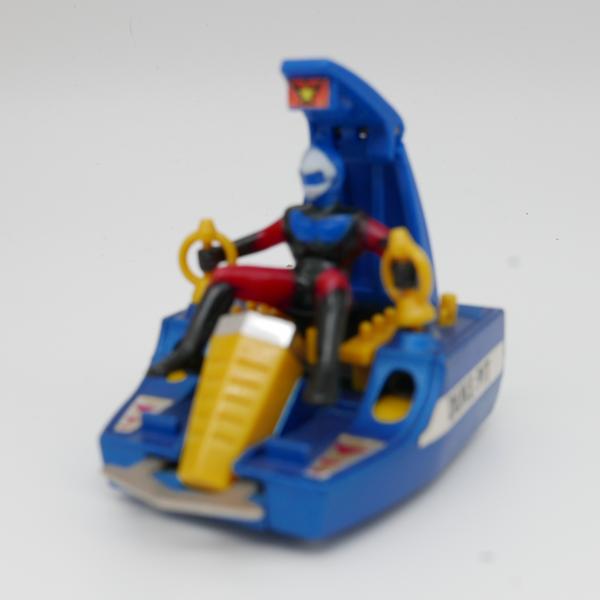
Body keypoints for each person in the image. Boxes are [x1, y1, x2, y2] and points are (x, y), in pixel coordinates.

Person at [149, 143, 415, 405]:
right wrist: (218, 255)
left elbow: (390, 244)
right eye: (307, 176)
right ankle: (190, 352)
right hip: (295, 285)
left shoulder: (353, 222)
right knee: (224, 277)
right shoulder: (294, 218)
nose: (311, 182)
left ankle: (326, 372)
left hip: (333, 291)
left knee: (332, 281)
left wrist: (403, 265)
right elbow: (259, 240)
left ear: (333, 178)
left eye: (316, 176)